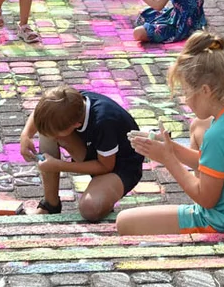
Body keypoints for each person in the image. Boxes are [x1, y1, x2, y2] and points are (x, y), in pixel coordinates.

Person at [116, 32, 224, 236]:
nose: (186, 100)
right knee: (198, 125)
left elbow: (205, 199)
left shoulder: (217, 135)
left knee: (124, 222)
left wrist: (167, 158)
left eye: (187, 91)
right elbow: (215, 163)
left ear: (206, 90)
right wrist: (170, 147)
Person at [19, 86, 144, 220]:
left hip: (120, 168)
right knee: (48, 129)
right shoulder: (70, 100)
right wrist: (26, 135)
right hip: (95, 151)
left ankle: (104, 194)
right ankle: (50, 205)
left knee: (90, 209)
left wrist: (58, 165)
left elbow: (105, 166)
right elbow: (43, 110)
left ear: (76, 125)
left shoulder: (103, 121)